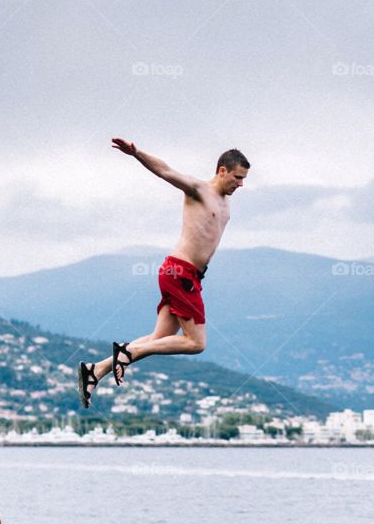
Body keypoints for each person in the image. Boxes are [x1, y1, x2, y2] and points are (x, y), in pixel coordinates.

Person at [77, 141, 250, 407]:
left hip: (190, 276)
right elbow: (165, 171)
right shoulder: (198, 190)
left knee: (159, 339)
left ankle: (96, 370)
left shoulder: (226, 203)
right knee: (196, 343)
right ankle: (128, 351)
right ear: (222, 170)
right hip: (180, 272)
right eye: (237, 178)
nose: (240, 185)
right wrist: (136, 154)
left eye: (243, 180)